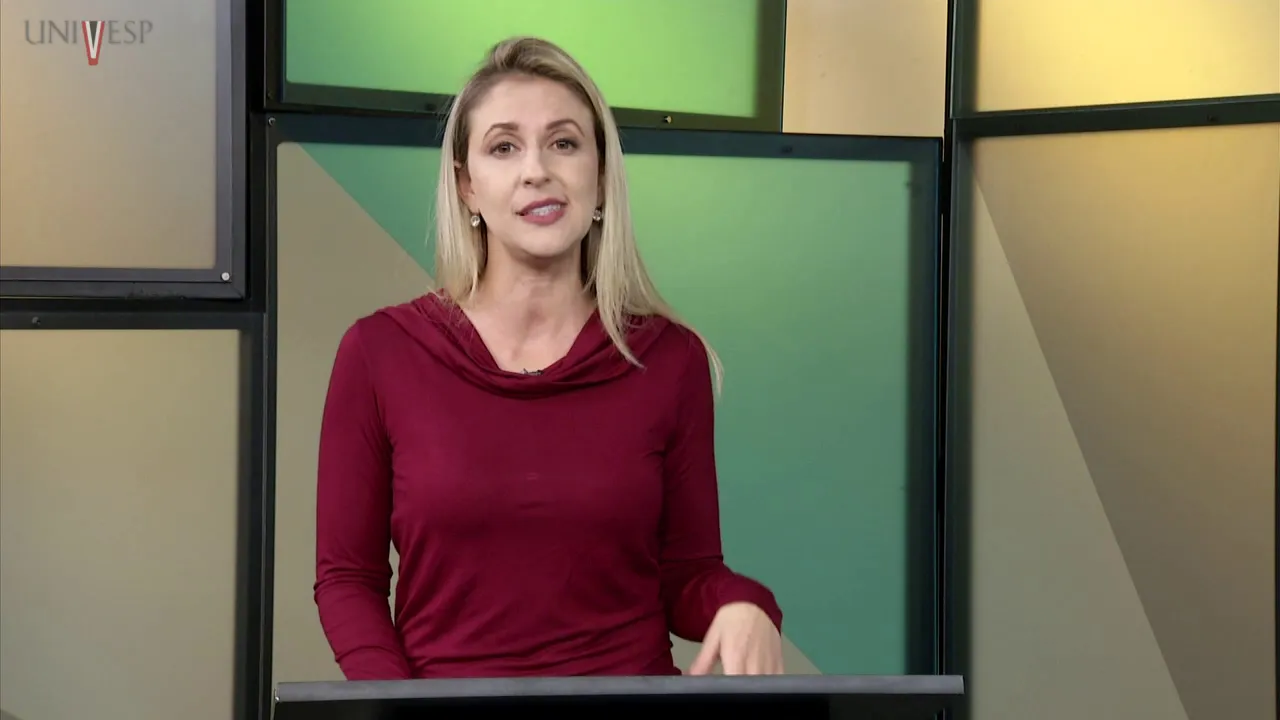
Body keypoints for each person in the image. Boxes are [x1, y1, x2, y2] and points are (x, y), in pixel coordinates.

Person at [313, 36, 784, 681]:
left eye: (564, 143)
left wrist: (744, 605)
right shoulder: (379, 353)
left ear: (600, 178)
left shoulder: (670, 359)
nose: (537, 169)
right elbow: (348, 579)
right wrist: (395, 707)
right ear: (467, 186)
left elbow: (687, 573)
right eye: (504, 147)